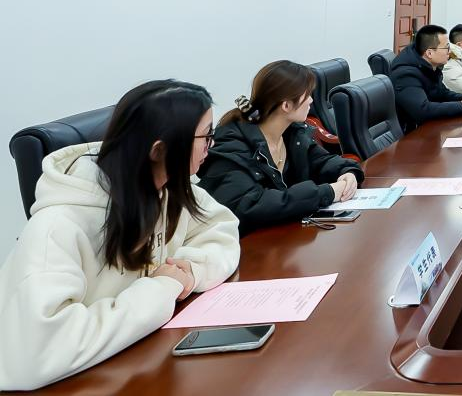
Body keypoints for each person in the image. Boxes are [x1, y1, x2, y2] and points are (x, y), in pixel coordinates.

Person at [0, 80, 240, 391]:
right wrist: (161, 288)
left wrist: (191, 270)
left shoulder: (168, 189)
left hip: (133, 365)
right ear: (159, 150)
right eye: (206, 136)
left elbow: (220, 228)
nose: (211, 145)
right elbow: (36, 356)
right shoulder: (57, 228)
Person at [199, 61, 365, 234]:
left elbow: (323, 161)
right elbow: (250, 206)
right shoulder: (231, 144)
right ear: (286, 105)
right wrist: (327, 192)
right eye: (307, 94)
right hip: (243, 243)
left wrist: (348, 173)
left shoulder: (292, 133)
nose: (311, 100)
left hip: (283, 236)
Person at [390, 24, 462, 125]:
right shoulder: (406, 75)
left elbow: (442, 93)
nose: (450, 51)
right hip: (414, 132)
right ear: (429, 53)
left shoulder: (429, 65)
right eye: (446, 48)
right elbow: (423, 110)